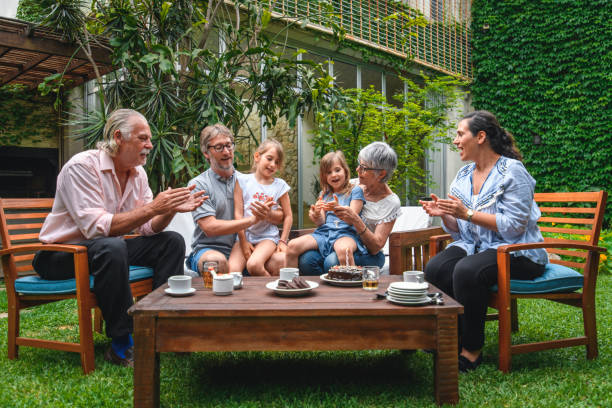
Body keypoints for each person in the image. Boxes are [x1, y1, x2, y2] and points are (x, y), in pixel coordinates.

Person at [32, 108, 205, 367]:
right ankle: (121, 343)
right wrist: (153, 208)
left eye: (149, 139)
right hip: (60, 255)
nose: (150, 144)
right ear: (118, 137)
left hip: (105, 250)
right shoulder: (81, 167)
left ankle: (159, 327)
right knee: (112, 247)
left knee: (171, 242)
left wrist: (168, 209)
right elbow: (95, 227)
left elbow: (147, 228)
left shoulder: (138, 173)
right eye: (143, 138)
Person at [420, 110, 548, 372]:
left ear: (480, 137)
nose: (455, 141)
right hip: (480, 248)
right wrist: (446, 214)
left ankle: (471, 350)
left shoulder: (512, 172)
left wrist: (465, 212)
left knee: (467, 270)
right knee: (436, 268)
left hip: (518, 252)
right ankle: (449, 340)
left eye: (459, 134)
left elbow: (514, 227)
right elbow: (462, 230)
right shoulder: (465, 174)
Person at [187, 124, 285, 276]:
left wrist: (269, 215)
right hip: (209, 250)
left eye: (229, 145)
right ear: (206, 153)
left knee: (280, 261)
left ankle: (271, 300)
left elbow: (280, 215)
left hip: (246, 247)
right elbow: (210, 227)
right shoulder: (199, 184)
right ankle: (213, 300)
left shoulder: (247, 181)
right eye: (219, 147)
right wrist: (252, 220)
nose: (226, 151)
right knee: (216, 262)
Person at [299, 142, 401, 275]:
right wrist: (316, 215)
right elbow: (327, 212)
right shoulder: (350, 185)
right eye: (359, 164)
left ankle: (346, 292)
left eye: (364, 167)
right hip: (336, 241)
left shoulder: (391, 202)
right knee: (306, 260)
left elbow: (375, 247)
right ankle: (324, 294)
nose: (358, 170)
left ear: (381, 174)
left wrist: (355, 219)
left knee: (332, 262)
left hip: (367, 252)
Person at [286, 151, 365, 268]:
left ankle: (351, 281)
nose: (333, 175)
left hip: (345, 233)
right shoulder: (324, 194)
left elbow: (351, 219)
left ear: (345, 170)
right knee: (292, 245)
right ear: (324, 176)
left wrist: (337, 208)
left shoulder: (355, 191)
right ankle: (290, 283)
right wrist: (317, 214)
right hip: (324, 234)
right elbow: (321, 222)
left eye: (337, 170)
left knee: (344, 250)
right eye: (329, 172)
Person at [229, 139, 292, 276]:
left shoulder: (280, 186)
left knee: (254, 265)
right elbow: (238, 216)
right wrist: (244, 242)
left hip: (267, 238)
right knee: (232, 271)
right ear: (257, 156)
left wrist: (282, 241)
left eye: (277, 162)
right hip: (244, 237)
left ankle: (273, 289)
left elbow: (288, 216)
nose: (272, 164)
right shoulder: (242, 181)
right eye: (269, 159)